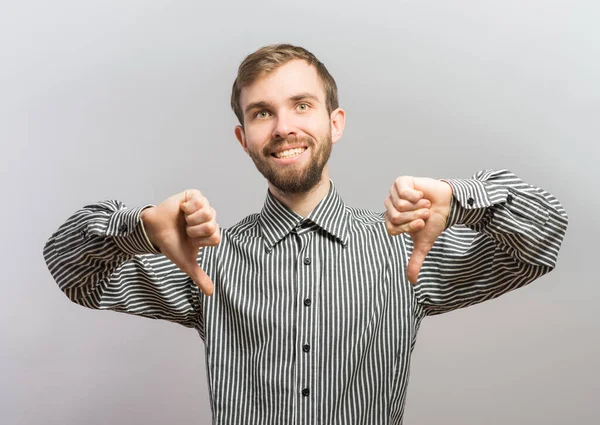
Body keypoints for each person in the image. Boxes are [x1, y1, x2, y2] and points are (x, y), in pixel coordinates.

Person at [43, 43, 568, 425]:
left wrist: (462, 200)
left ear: (334, 123)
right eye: (262, 113)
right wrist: (139, 229)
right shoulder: (205, 261)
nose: (283, 128)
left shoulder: (405, 246)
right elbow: (72, 272)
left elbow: (544, 239)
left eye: (301, 105)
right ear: (243, 138)